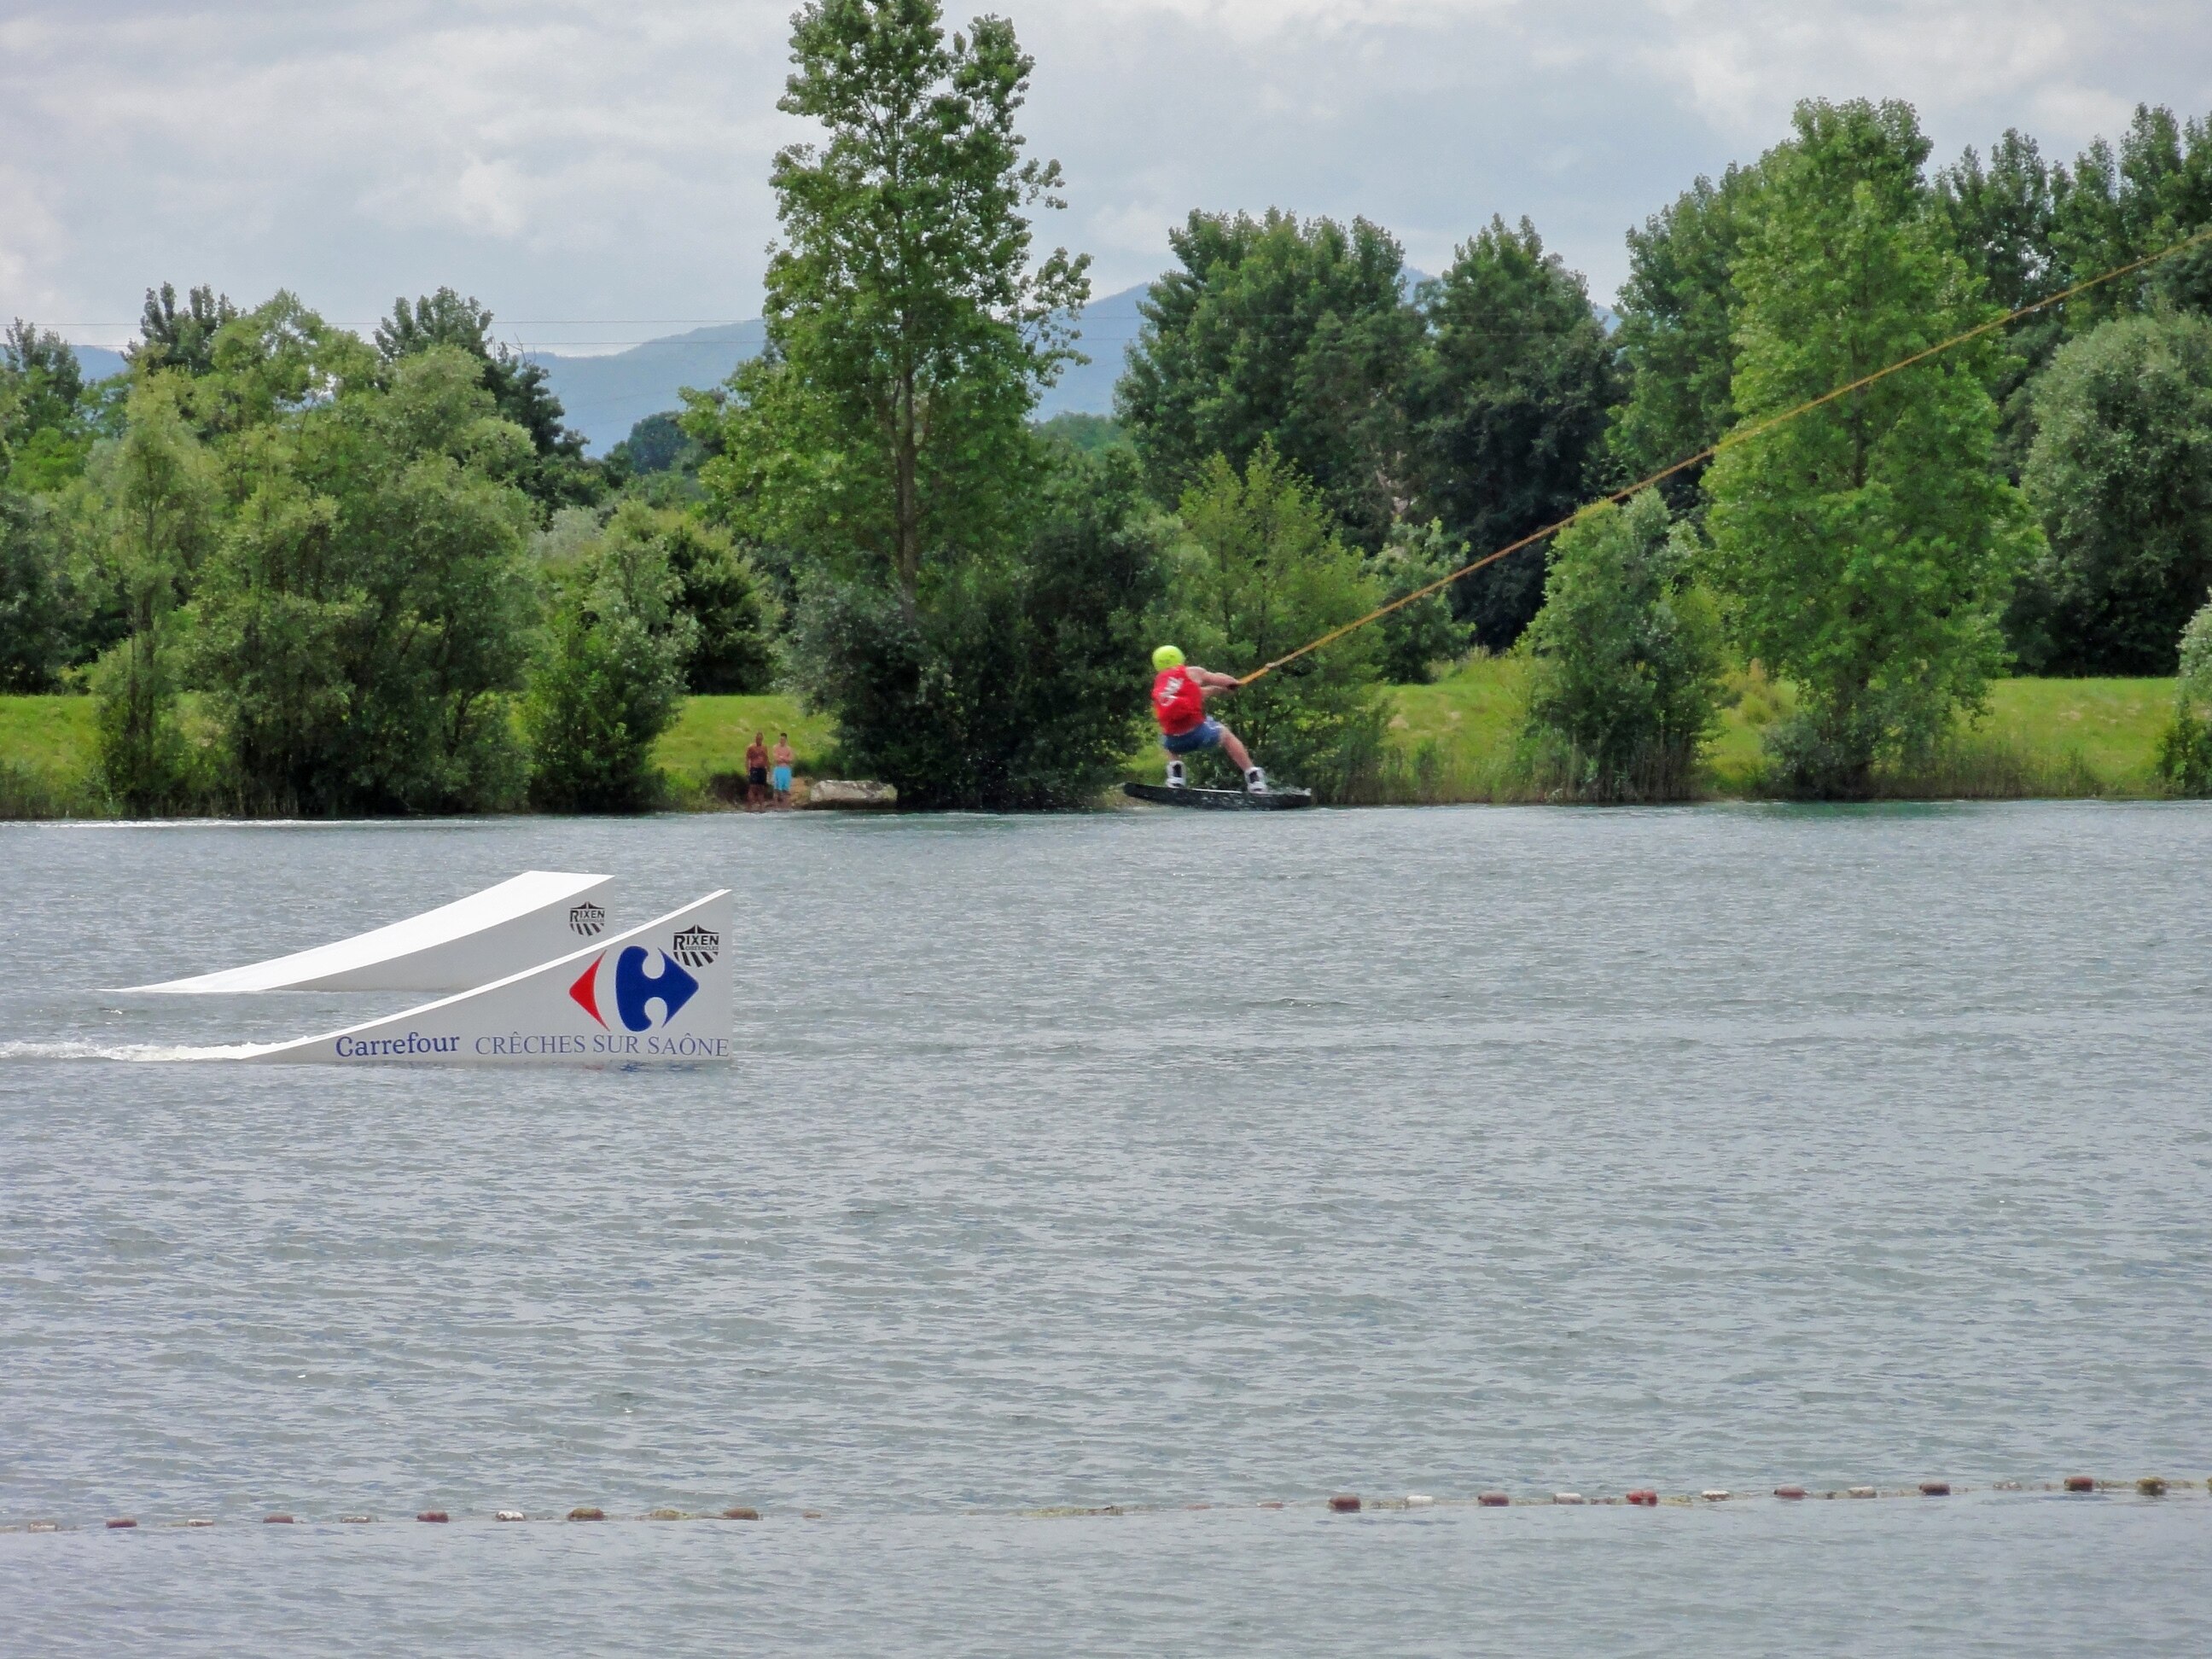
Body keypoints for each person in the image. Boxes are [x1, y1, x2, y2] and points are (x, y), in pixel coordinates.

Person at [1149, 644, 1266, 793]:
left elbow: (1199, 693)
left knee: (1165, 735)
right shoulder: (1193, 672)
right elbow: (1220, 679)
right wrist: (1234, 683)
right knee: (1227, 736)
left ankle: (1176, 776)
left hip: (1175, 742)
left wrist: (1218, 691)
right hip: (1200, 734)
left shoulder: (1160, 684)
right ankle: (1253, 777)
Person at [743, 732, 770, 812]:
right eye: (757, 739)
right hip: (754, 769)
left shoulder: (764, 747)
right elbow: (747, 759)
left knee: (761, 788)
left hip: (762, 769)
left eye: (760, 739)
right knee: (753, 787)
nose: (759, 740)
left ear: (762, 739)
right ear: (755, 739)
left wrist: (768, 769)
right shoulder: (751, 747)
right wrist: (748, 770)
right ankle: (749, 807)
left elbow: (766, 758)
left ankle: (762, 808)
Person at [771, 732, 795, 807]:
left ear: (786, 740)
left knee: (786, 790)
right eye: (781, 739)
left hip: (786, 770)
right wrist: (785, 758)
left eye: (783, 739)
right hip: (778, 769)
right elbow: (776, 759)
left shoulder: (789, 749)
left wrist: (782, 757)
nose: (782, 741)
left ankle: (785, 806)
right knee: (777, 789)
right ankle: (776, 807)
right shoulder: (775, 747)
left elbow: (791, 759)